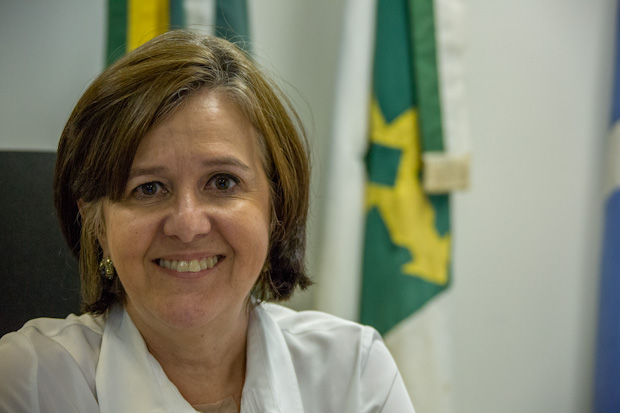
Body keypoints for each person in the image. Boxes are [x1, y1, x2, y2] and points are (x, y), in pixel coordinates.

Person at [0, 30, 415, 412]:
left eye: (222, 182)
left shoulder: (353, 374)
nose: (187, 224)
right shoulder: (30, 382)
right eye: (148, 188)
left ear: (276, 206)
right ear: (97, 224)